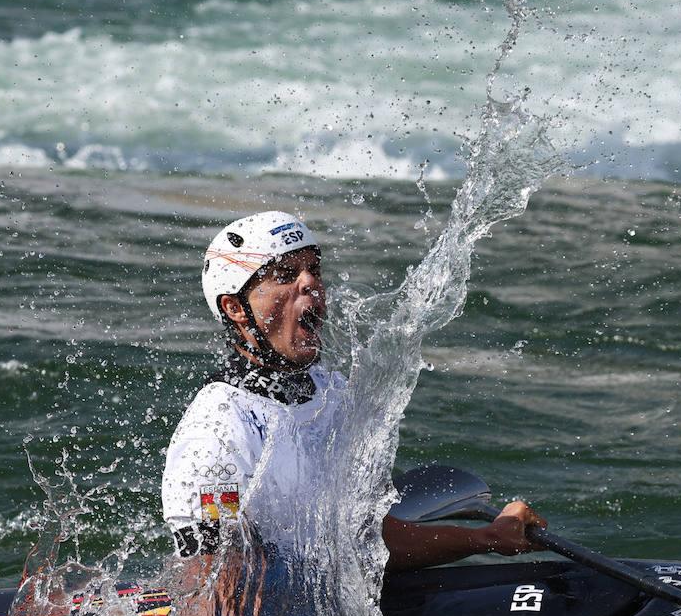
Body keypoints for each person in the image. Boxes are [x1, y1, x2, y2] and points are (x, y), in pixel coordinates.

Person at [161, 210, 543, 572]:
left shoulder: (332, 394)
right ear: (236, 308)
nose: (310, 283)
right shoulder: (217, 430)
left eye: (314, 270)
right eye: (285, 274)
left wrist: (485, 539)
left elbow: (367, 542)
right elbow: (211, 583)